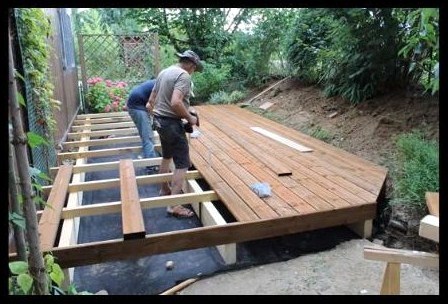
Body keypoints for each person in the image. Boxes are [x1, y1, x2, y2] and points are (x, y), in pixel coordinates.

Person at [147, 50, 203, 218]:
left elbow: (150, 102)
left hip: (160, 121)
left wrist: (159, 116)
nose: (193, 71)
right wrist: (189, 118)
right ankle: (174, 205)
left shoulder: (164, 72)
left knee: (167, 156)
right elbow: (176, 102)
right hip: (171, 124)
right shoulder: (184, 76)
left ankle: (164, 190)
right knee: (183, 163)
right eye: (194, 68)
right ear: (192, 65)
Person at [126, 79, 159, 175]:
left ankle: (150, 157)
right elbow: (151, 106)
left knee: (147, 134)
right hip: (137, 107)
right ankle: (151, 166)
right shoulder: (163, 85)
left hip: (137, 105)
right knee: (147, 137)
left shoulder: (162, 81)